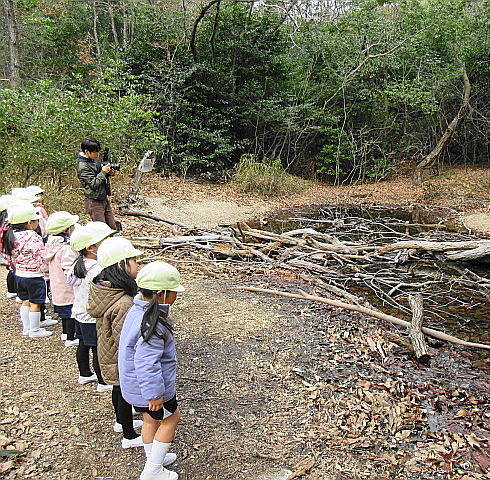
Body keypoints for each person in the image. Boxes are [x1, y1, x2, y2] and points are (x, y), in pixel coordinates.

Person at [118, 261, 184, 480]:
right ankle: (153, 470)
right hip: (149, 389)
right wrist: (154, 394)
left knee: (150, 420)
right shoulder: (153, 323)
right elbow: (147, 362)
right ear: (161, 294)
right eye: (174, 292)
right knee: (171, 419)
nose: (176, 296)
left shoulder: (137, 309)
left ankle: (153, 458)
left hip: (134, 385)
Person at [87, 237, 145, 445]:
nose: (138, 265)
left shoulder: (104, 288)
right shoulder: (123, 302)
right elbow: (124, 338)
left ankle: (121, 422)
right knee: (123, 391)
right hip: (118, 355)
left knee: (118, 389)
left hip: (107, 350)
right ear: (121, 265)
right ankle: (129, 435)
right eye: (134, 261)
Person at [67, 222, 115, 389]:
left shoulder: (78, 264)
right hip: (91, 316)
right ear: (90, 248)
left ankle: (85, 374)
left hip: (79, 312)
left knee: (83, 343)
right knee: (97, 349)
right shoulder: (96, 269)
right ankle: (103, 381)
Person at [2, 202, 52, 338]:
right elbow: (40, 256)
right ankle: (35, 330)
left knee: (25, 302)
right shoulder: (33, 237)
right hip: (34, 275)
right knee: (35, 304)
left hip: (19, 274)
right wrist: (46, 271)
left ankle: (26, 328)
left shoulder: (11, 235)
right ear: (30, 223)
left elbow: (8, 257)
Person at [43, 211, 79, 346]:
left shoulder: (51, 245)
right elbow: (68, 268)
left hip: (57, 285)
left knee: (64, 313)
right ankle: (71, 338)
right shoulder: (66, 249)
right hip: (67, 287)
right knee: (70, 314)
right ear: (66, 229)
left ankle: (65, 333)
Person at [76, 138, 117, 229]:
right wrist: (103, 172)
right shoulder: (83, 167)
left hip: (103, 198)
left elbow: (100, 173)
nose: (97, 154)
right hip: (94, 201)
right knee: (101, 230)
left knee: (112, 227)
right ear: (87, 152)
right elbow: (94, 184)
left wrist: (109, 172)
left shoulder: (94, 159)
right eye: (95, 152)